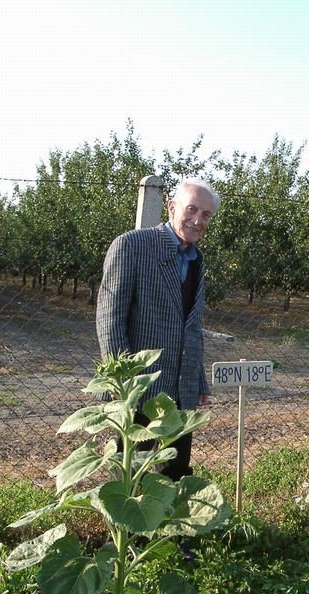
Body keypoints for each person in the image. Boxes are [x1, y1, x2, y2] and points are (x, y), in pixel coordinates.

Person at [96, 178, 220, 481]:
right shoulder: (132, 245)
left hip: (180, 389)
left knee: (175, 470)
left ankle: (168, 529)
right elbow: (109, 319)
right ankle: (132, 529)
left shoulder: (195, 259)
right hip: (138, 389)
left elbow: (191, 326)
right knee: (131, 473)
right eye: (191, 210)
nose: (197, 220)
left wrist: (199, 379)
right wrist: (120, 382)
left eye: (206, 215)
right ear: (172, 207)